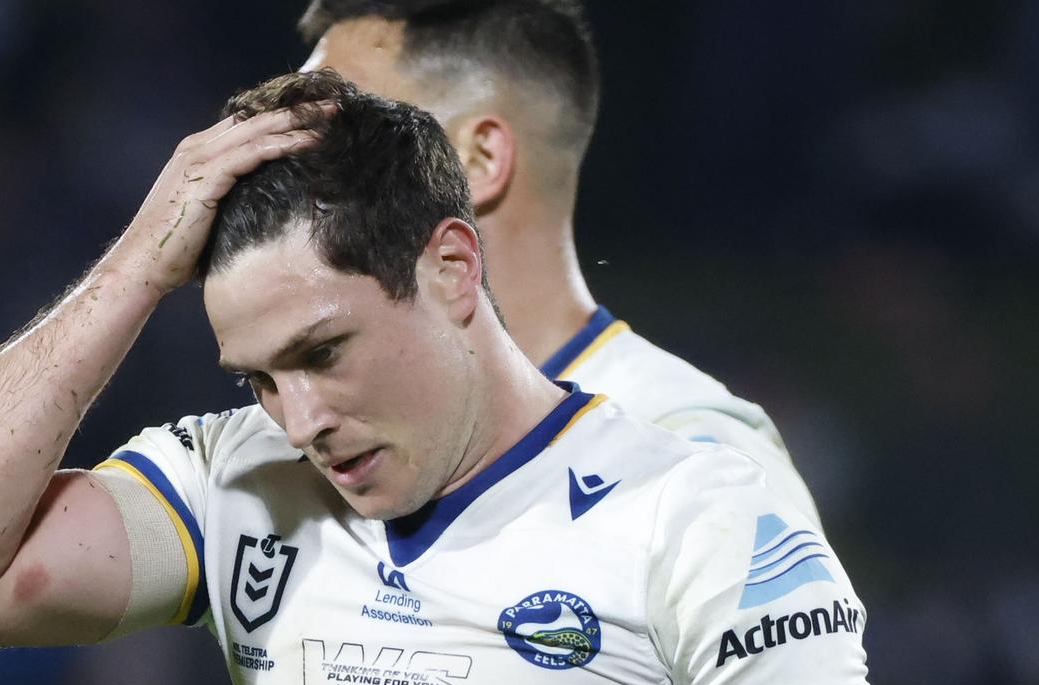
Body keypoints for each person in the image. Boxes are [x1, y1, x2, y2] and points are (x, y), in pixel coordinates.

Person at [0, 71, 875, 685]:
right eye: (257, 378)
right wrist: (129, 274)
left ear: (452, 268)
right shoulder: (233, 482)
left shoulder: (700, 518)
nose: (298, 422)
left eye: (323, 351)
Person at [298, 0, 823, 529]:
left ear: (476, 160)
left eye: (340, 145)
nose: (287, 181)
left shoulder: (691, 457)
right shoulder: (313, 443)